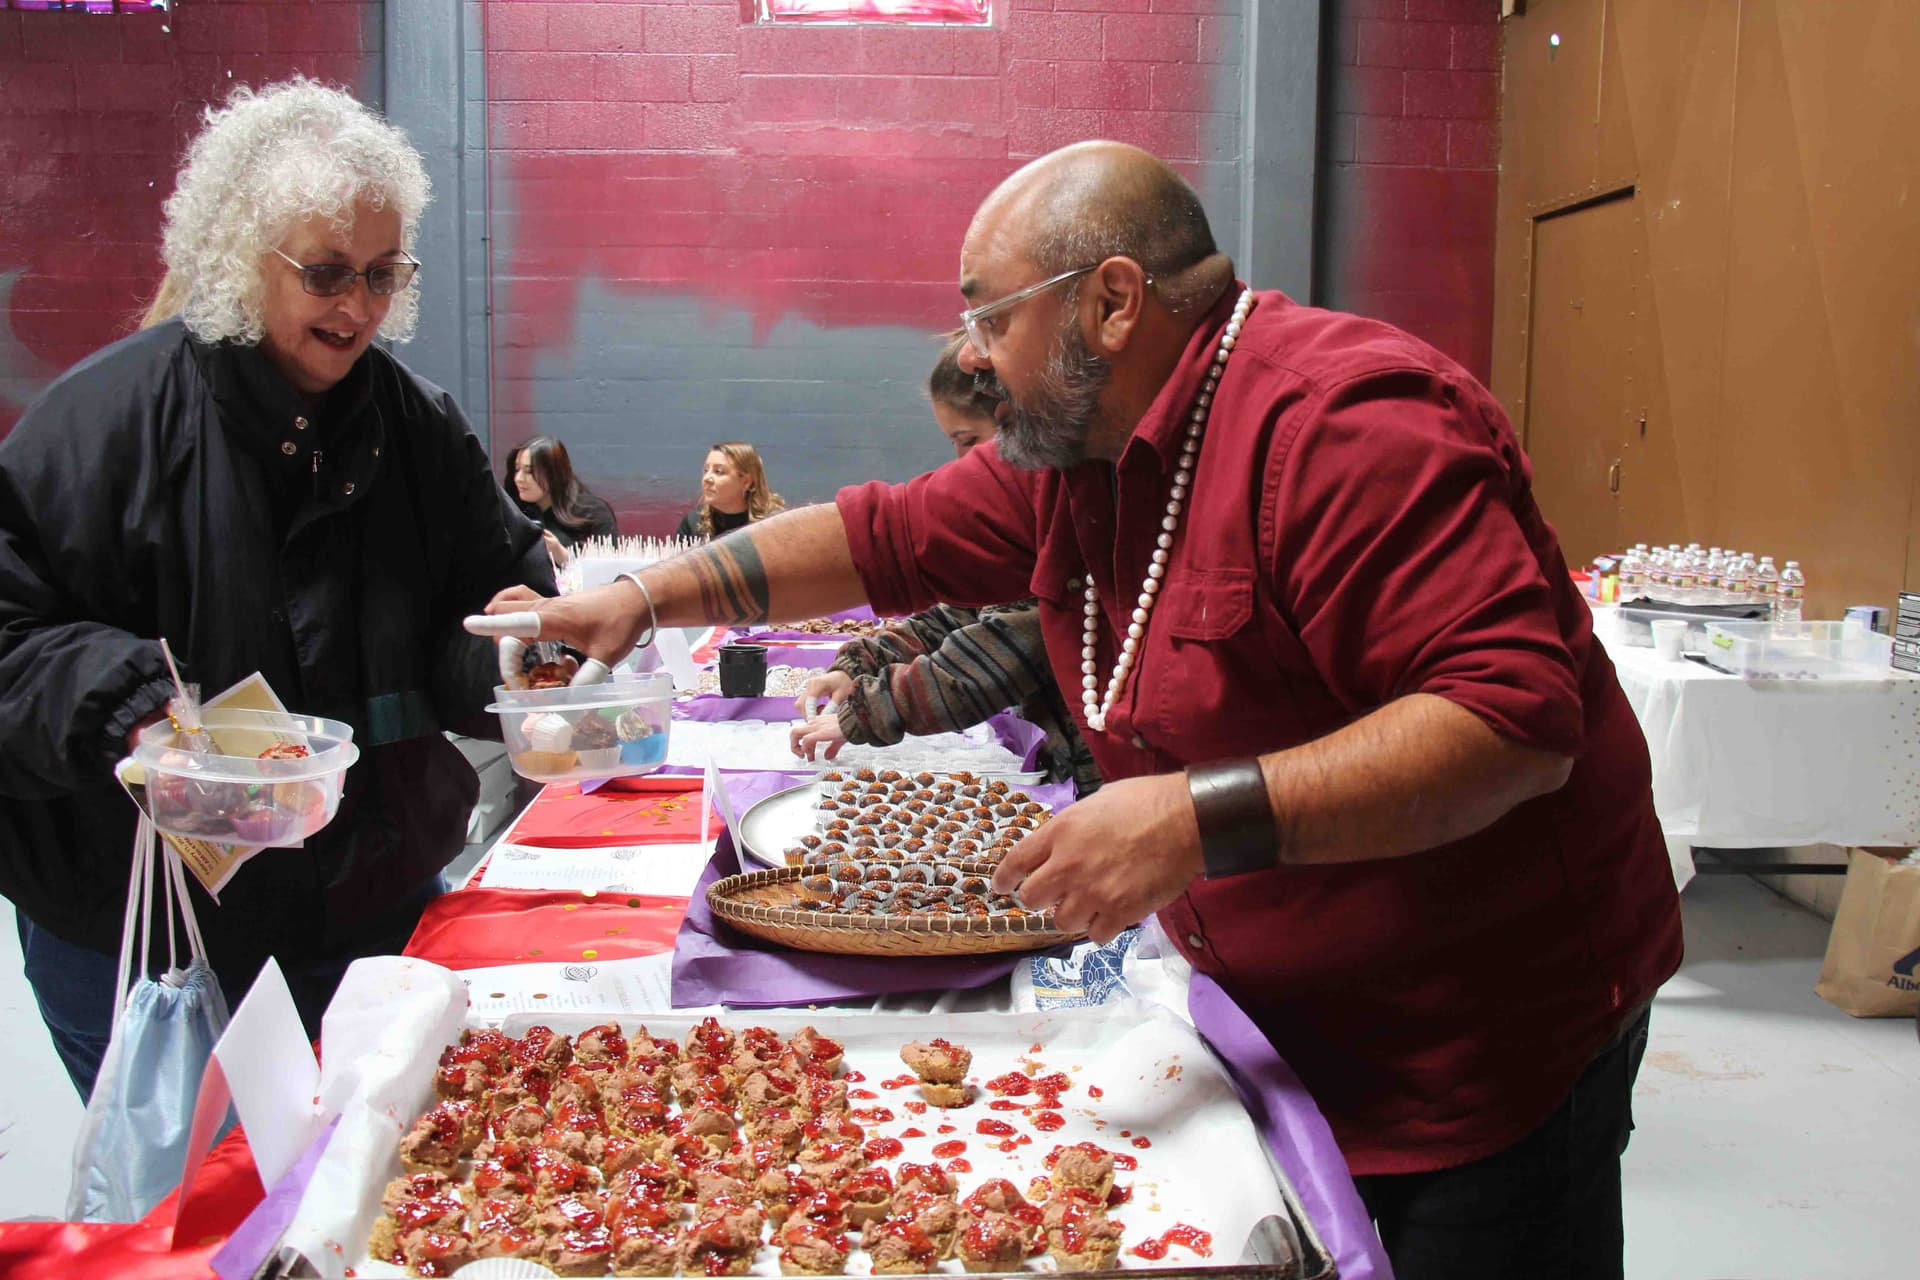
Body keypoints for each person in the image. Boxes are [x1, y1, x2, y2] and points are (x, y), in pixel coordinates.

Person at [482, 140, 1683, 1279]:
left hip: (1475, 1044)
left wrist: (1190, 819)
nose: (974, 356)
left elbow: (1509, 722)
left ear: (1112, 302)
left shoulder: (1345, 424)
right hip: (1283, 1012)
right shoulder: (1081, 454)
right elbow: (877, 535)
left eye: (993, 317)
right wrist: (644, 596)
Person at [0, 79, 553, 1097]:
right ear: (237, 251)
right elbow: (11, 641)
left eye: (383, 273)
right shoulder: (98, 430)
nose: (359, 307)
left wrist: (523, 651)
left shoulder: (421, 430)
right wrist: (130, 706)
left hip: (371, 909)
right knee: (201, 1196)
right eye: (327, 272)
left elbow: (481, 614)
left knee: (384, 1177)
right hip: (153, 942)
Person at [790, 333, 1100, 794]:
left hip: (1096, 774)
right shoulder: (1024, 522)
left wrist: (865, 713)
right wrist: (860, 664)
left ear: (1014, 421)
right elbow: (958, 614)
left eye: (968, 441)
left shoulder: (1066, 521)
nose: (960, 462)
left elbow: (996, 657)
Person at [511, 434, 618, 566]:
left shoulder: (594, 514)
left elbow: (607, 570)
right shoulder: (514, 512)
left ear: (553, 474)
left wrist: (563, 556)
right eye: (517, 469)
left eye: (529, 471)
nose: (519, 479)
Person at [673, 442, 784, 540]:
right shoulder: (694, 521)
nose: (706, 478)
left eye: (719, 471)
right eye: (706, 470)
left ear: (746, 482)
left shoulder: (775, 524)